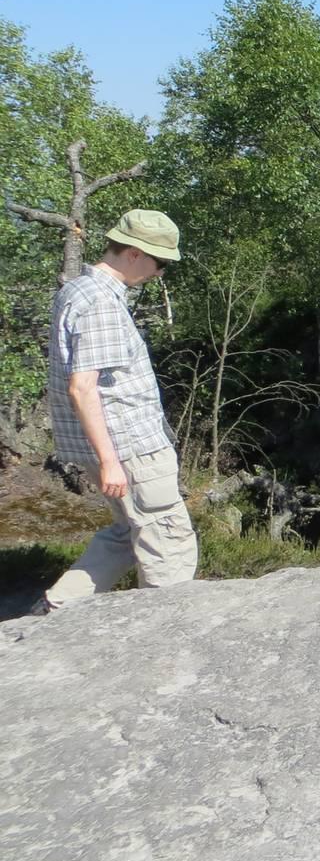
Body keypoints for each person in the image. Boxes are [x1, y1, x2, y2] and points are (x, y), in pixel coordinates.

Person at [35, 210, 197, 613]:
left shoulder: (78, 290)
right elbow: (82, 386)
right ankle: (167, 628)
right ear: (134, 254)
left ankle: (56, 609)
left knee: (128, 531)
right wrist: (110, 462)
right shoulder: (101, 303)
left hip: (112, 446)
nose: (160, 273)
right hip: (131, 448)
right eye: (161, 262)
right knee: (168, 540)